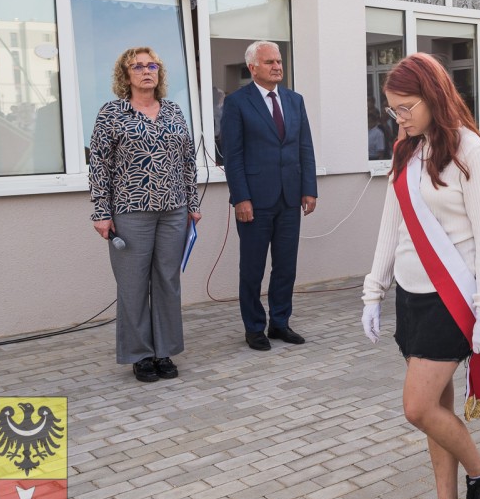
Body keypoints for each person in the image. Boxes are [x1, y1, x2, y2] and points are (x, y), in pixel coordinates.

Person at [360, 53, 480, 499]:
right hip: (412, 294)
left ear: (435, 95)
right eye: (393, 109)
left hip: (452, 299)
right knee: (437, 404)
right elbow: (392, 224)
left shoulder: (472, 153)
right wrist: (373, 290)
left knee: (417, 407)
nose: (398, 118)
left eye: (406, 107)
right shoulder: (406, 149)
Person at [89, 47, 200, 382]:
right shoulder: (112, 113)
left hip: (173, 211)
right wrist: (100, 212)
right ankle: (140, 355)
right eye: (137, 66)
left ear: (159, 73)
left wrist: (193, 205)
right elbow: (99, 166)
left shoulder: (174, 112)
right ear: (126, 75)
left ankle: (164, 351)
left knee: (167, 281)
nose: (145, 71)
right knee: (133, 285)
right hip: (130, 211)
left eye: (152, 65)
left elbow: (187, 163)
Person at [222, 40, 318, 351]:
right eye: (270, 62)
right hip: (254, 200)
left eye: (278, 61)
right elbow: (233, 156)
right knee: (252, 268)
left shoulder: (294, 100)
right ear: (253, 68)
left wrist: (309, 189)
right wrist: (241, 198)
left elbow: (304, 147)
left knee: (286, 266)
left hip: (290, 197)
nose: (277, 66)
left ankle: (279, 322)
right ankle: (254, 328)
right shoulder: (237, 103)